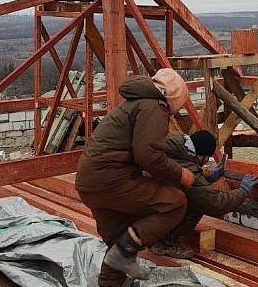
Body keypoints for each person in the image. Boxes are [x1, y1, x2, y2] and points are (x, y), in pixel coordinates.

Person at [75, 69, 196, 286]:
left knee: (117, 245)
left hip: (90, 181)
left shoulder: (135, 103)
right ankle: (125, 251)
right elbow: (148, 155)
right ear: (175, 97)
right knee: (175, 202)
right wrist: (180, 173)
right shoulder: (154, 107)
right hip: (111, 178)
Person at [150, 130, 258, 259]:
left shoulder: (173, 150)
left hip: (146, 206)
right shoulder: (189, 171)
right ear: (200, 157)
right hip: (155, 211)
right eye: (207, 157)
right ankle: (164, 242)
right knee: (197, 204)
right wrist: (243, 191)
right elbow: (215, 204)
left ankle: (153, 235)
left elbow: (190, 176)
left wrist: (208, 175)